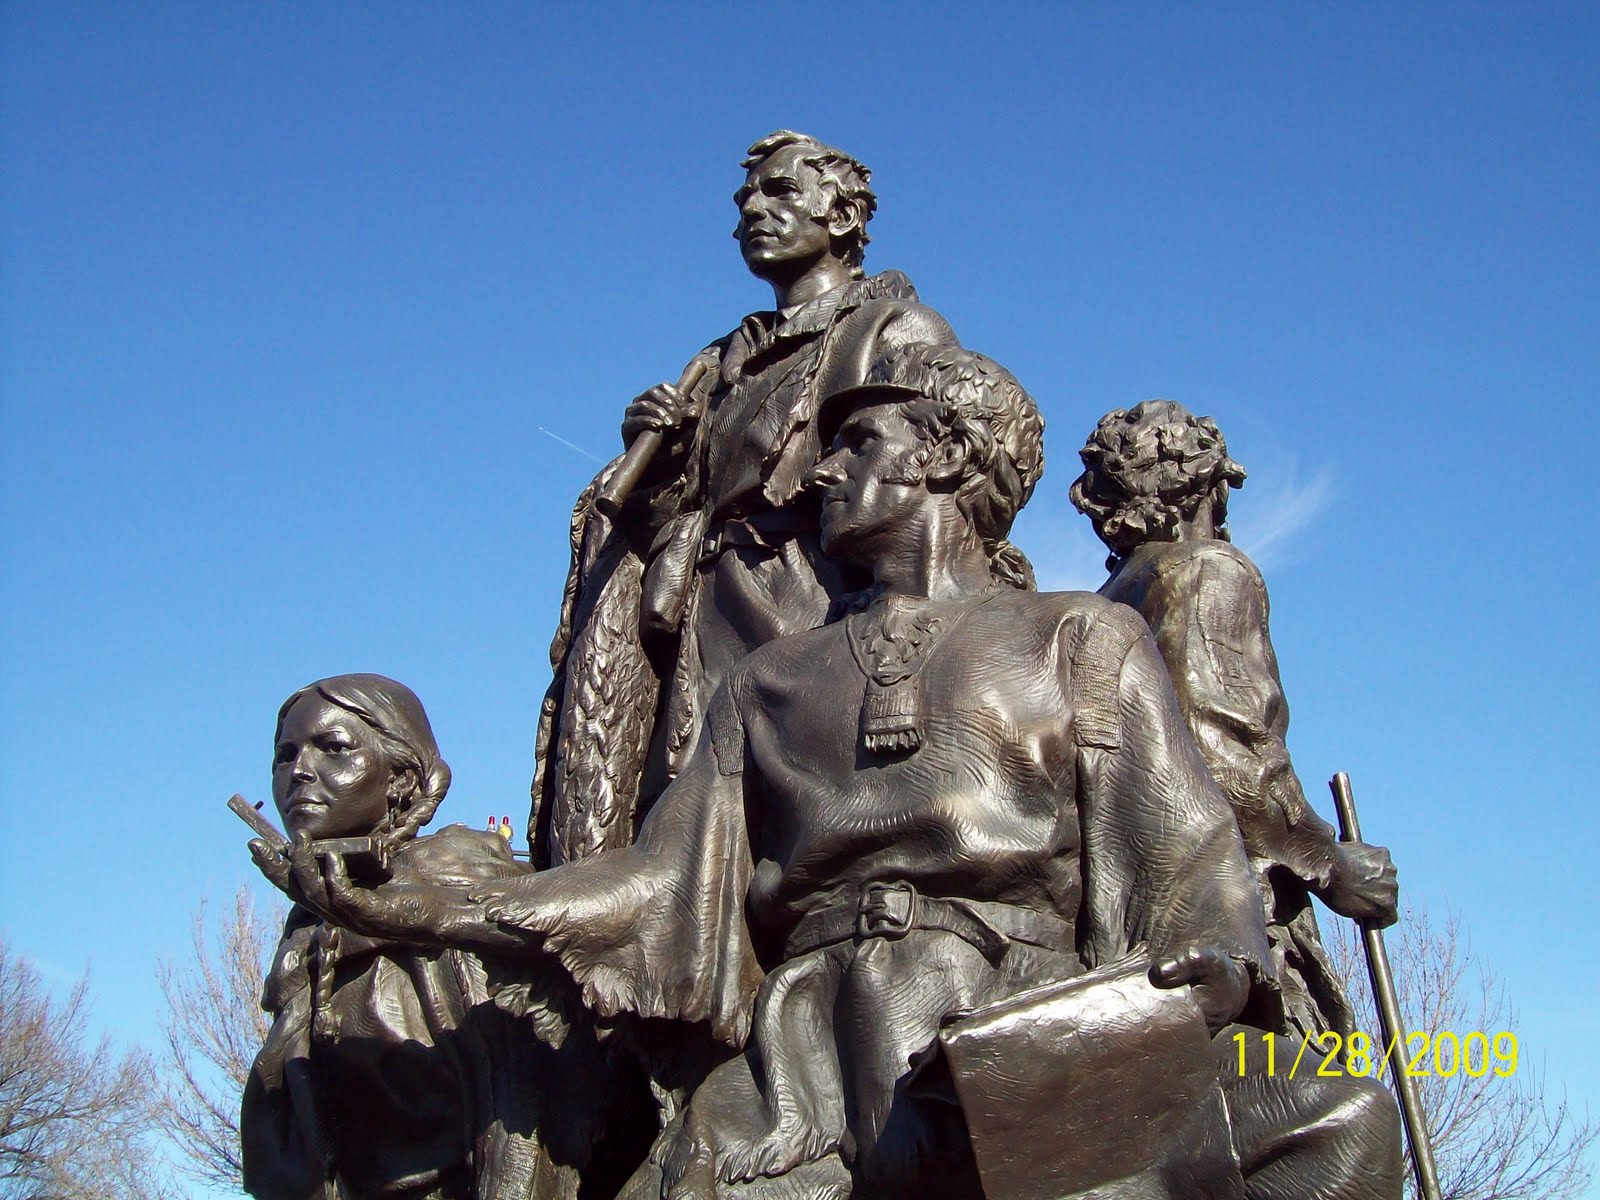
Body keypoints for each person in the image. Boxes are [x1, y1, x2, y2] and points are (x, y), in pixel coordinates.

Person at [294, 349, 1397, 1200]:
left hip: (1026, 1024)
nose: (822, 468)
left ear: (948, 457)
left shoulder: (1078, 640)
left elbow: (1185, 857)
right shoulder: (767, 682)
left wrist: (1188, 984)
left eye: (858, 444)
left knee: (1334, 1118)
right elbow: (658, 883)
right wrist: (444, 906)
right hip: (805, 1061)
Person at [532, 131, 963, 867]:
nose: (753, 212)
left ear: (844, 215)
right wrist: (659, 461)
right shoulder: (716, 362)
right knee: (675, 834)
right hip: (694, 615)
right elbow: (680, 504)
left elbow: (930, 483)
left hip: (808, 610)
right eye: (744, 201)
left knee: (785, 834)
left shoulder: (892, 329)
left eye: (781, 192)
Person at [1068, 401, 1399, 1037]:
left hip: (1129, 914)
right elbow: (1221, 746)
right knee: (1317, 1105)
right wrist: (1327, 861)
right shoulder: (1207, 571)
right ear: (1210, 485)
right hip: (1226, 912)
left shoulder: (1101, 606)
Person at [244, 674, 643, 1200]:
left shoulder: (462, 893)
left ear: (402, 780)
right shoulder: (307, 931)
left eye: (333, 748)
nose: (300, 771)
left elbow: (523, 1100)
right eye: (285, 754)